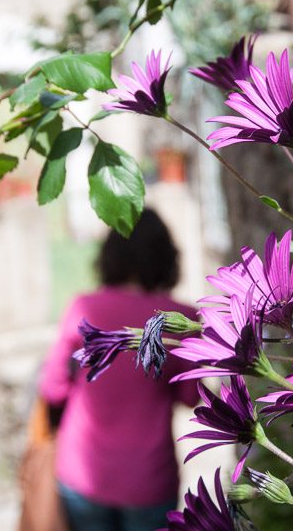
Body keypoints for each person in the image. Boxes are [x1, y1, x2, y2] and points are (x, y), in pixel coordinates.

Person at [39, 209, 199, 531]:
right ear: (166, 257)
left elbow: (51, 388)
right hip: (148, 481)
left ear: (109, 255)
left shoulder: (83, 308)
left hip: (81, 474)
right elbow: (191, 395)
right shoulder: (181, 318)